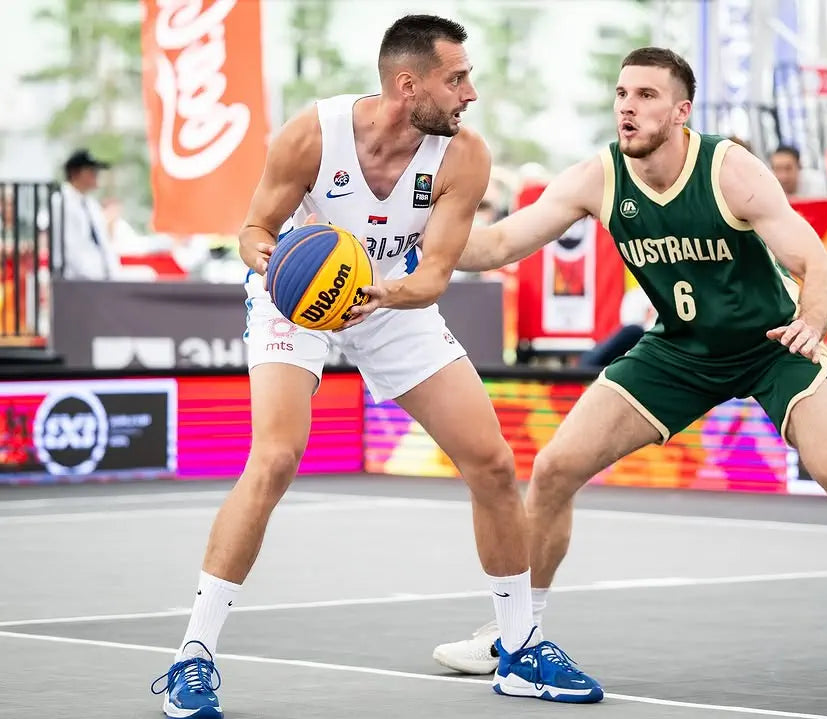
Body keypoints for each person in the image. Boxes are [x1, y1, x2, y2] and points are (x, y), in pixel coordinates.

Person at [433, 47, 827, 702]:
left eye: (644, 95)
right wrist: (413, 231)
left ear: (681, 111)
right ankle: (514, 635)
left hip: (773, 344)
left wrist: (812, 321)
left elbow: (822, 267)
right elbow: (498, 245)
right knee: (553, 468)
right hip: (680, 350)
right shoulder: (598, 178)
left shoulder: (730, 170)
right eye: (621, 94)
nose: (627, 107)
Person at [149, 15, 600, 719]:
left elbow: (435, 276)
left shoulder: (463, 157)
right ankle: (192, 658)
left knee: (491, 461)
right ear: (407, 83)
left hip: (390, 294)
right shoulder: (312, 134)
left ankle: (519, 647)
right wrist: (269, 261)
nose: (469, 93)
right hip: (294, 296)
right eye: (457, 79)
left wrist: (379, 293)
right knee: (274, 458)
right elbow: (253, 230)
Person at [53, 148, 120, 280]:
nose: (95, 175)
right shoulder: (61, 203)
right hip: (75, 281)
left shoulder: (91, 205)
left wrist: (111, 273)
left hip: (99, 278)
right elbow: (72, 252)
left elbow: (104, 244)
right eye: (91, 171)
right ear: (75, 173)